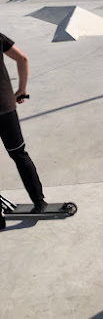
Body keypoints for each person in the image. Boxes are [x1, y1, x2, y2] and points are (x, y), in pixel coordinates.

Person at [0, 33, 47, 230]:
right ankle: (39, 202)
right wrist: (21, 90)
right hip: (5, 107)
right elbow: (22, 58)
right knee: (19, 154)